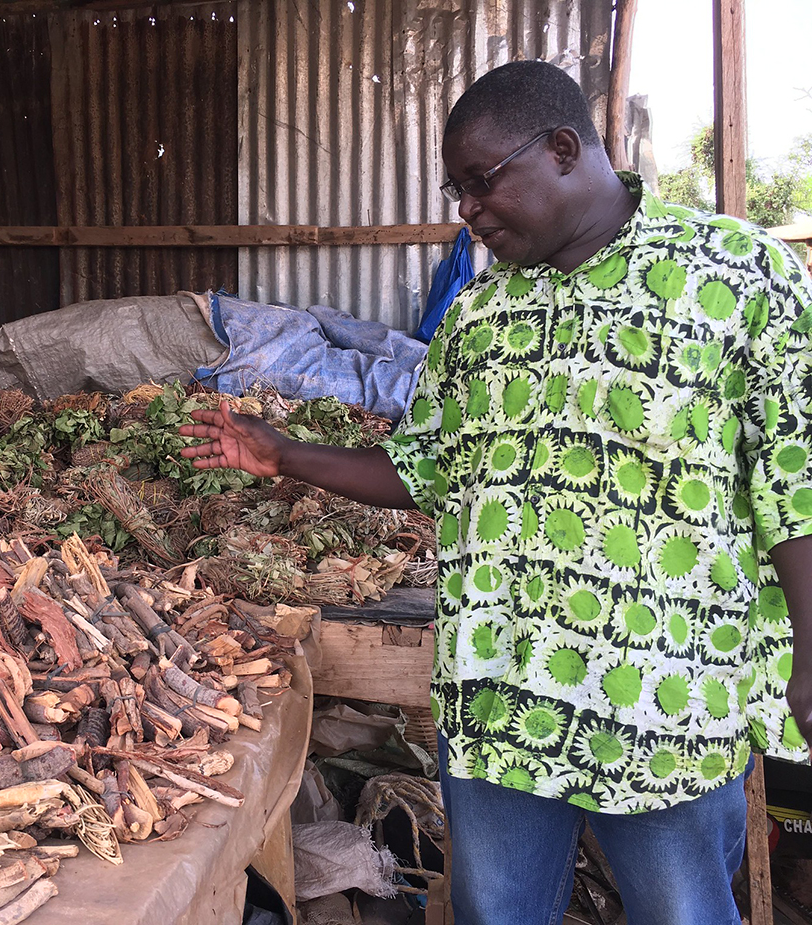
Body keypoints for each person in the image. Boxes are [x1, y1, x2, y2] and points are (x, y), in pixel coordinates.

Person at [180, 60, 812, 925]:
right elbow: (426, 471)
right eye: (457, 190)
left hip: (662, 703)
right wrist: (285, 453)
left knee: (683, 914)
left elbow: (795, 480)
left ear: (562, 149)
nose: (467, 211)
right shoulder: (479, 316)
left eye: (481, 181)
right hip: (498, 700)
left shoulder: (735, 275)